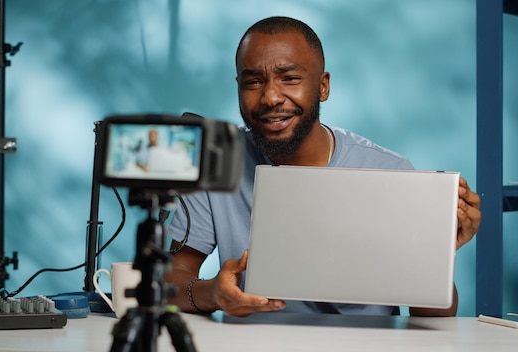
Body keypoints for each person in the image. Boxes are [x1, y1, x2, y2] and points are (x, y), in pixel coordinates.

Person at [165, 16, 481, 318]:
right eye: (253, 81)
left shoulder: (388, 170)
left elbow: (435, 319)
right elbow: (172, 280)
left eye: (289, 78)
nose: (271, 97)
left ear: (323, 86)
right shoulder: (217, 162)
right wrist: (213, 294)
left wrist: (437, 256)